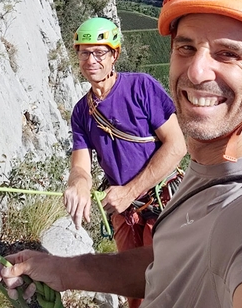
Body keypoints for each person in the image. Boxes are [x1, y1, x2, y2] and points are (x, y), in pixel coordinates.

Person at [0, 0, 242, 308]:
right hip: (129, 211)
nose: (198, 70)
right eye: (186, 47)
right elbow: (166, 265)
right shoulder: (207, 174)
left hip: (151, 201)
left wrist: (129, 191)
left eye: (228, 54)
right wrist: (63, 270)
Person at [63, 17, 186, 308]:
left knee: (166, 284)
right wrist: (78, 183)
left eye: (99, 52)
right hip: (125, 210)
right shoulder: (82, 112)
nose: (91, 60)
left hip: (160, 201)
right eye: (84, 52)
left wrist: (130, 191)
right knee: (133, 288)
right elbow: (80, 165)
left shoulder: (141, 88)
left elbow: (177, 145)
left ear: (114, 55)